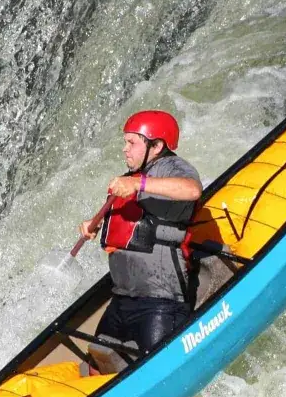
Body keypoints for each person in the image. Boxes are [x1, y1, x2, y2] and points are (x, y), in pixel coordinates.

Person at [79, 110, 204, 356]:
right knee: (96, 362)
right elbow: (125, 222)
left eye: (132, 142)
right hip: (123, 298)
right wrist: (91, 225)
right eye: (125, 142)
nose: (125, 149)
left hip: (160, 304)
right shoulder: (130, 178)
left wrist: (139, 184)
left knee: (155, 364)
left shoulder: (173, 167)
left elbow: (192, 190)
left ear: (156, 146)